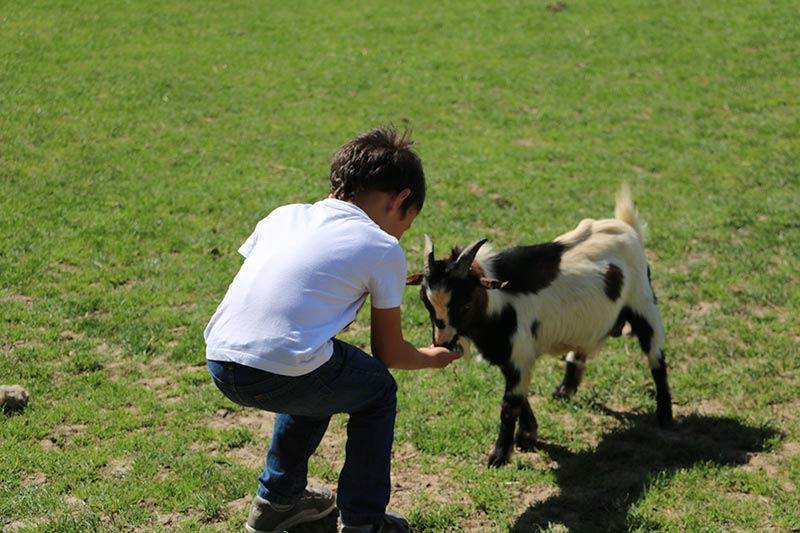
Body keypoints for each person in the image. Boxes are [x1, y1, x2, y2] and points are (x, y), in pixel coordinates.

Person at [205, 126, 461, 533]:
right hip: (280, 365)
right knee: (376, 390)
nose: (402, 233)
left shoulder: (282, 215)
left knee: (316, 368)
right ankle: (364, 522)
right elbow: (389, 354)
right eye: (407, 223)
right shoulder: (382, 248)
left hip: (220, 359)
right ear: (401, 200)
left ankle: (278, 503)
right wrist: (432, 358)